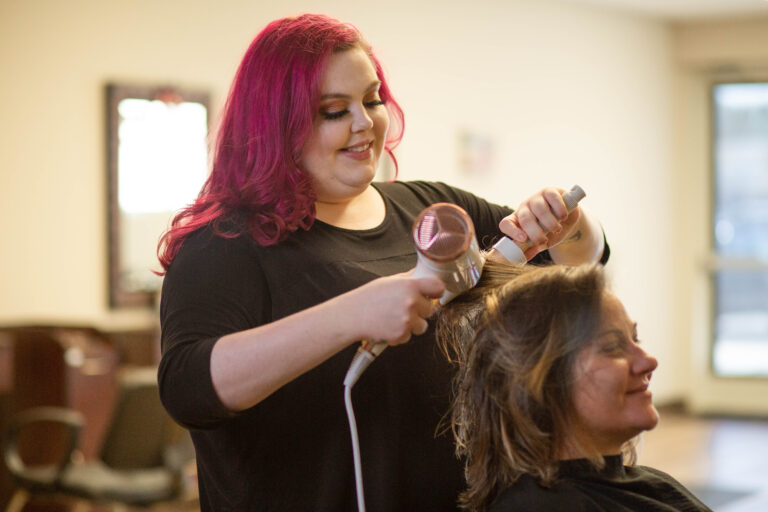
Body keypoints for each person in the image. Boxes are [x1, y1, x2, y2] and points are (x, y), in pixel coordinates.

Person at [156, 13, 608, 511]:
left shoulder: (433, 210)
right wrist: (349, 315)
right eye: (333, 110)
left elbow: (573, 265)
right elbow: (188, 388)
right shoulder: (225, 245)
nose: (364, 123)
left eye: (372, 100)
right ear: (277, 123)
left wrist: (573, 227)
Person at [437, 262, 712, 512]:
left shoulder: (650, 483)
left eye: (635, 340)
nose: (648, 361)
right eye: (613, 347)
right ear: (543, 380)